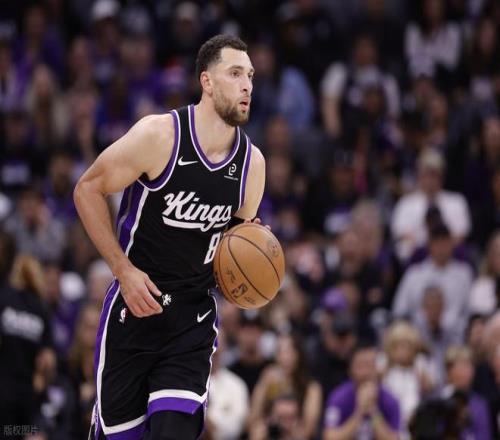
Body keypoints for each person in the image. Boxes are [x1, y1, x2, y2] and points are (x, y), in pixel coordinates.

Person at [73, 34, 265, 440]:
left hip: (191, 321)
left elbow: (231, 251)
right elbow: (87, 189)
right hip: (134, 310)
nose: (247, 85)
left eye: (250, 76)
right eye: (235, 74)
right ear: (206, 81)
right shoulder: (159, 136)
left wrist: (250, 254)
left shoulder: (252, 166)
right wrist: (122, 269)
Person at [323, 344, 400, 440]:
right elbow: (329, 437)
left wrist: (374, 411)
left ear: (377, 369)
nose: (365, 372)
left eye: (369, 366)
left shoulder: (390, 399)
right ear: (350, 370)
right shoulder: (338, 397)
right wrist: (359, 412)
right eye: (360, 366)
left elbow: (394, 438)